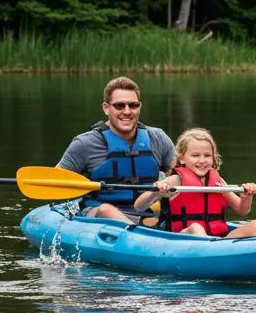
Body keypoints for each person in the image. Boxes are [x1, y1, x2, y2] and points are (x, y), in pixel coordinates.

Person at [56, 76, 175, 223]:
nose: (127, 111)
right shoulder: (84, 144)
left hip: (147, 213)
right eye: (119, 105)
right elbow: (56, 182)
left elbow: (181, 175)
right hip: (99, 216)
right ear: (106, 108)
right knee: (106, 210)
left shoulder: (158, 138)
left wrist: (169, 183)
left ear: (140, 107)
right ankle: (137, 235)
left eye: (133, 105)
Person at [134, 127, 256, 238]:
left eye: (207, 155)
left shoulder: (218, 182)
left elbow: (242, 210)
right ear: (182, 159)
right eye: (195, 155)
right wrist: (155, 191)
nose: (202, 160)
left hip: (218, 240)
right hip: (182, 238)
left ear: (213, 157)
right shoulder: (176, 180)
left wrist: (247, 197)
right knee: (196, 228)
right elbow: (138, 207)